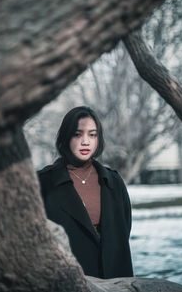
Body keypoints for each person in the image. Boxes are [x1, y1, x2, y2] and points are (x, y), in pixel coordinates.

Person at [38, 106, 133, 279]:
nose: (85, 141)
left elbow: (124, 229)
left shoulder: (113, 182)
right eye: (77, 134)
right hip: (67, 280)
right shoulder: (44, 182)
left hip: (116, 280)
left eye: (92, 134)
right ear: (66, 137)